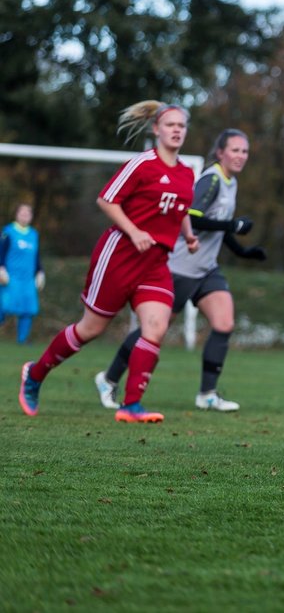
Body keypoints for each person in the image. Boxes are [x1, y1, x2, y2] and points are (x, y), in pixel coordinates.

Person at [19, 101, 199, 423]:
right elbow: (106, 199)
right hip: (120, 256)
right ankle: (35, 373)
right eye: (170, 124)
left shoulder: (186, 173)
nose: (176, 130)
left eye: (181, 126)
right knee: (90, 329)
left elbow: (178, 207)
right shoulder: (141, 164)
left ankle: (131, 405)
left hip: (156, 263)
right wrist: (134, 230)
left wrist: (187, 235)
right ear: (156, 129)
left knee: (155, 329)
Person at [95, 128, 267, 413]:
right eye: (235, 150)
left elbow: (218, 228)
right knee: (155, 330)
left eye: (244, 151)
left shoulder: (230, 182)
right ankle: (109, 378)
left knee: (224, 323)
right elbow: (193, 219)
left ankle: (207, 394)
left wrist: (242, 251)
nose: (240, 156)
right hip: (180, 268)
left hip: (207, 270)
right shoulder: (210, 180)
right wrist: (233, 225)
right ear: (220, 152)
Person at [1, 203, 45, 344]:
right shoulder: (8, 231)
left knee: (28, 310)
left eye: (28, 213)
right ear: (17, 214)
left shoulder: (33, 234)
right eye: (22, 213)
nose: (25, 216)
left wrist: (40, 272)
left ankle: (23, 339)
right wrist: (1, 268)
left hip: (28, 279)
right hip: (11, 277)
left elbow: (36, 256)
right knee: (4, 307)